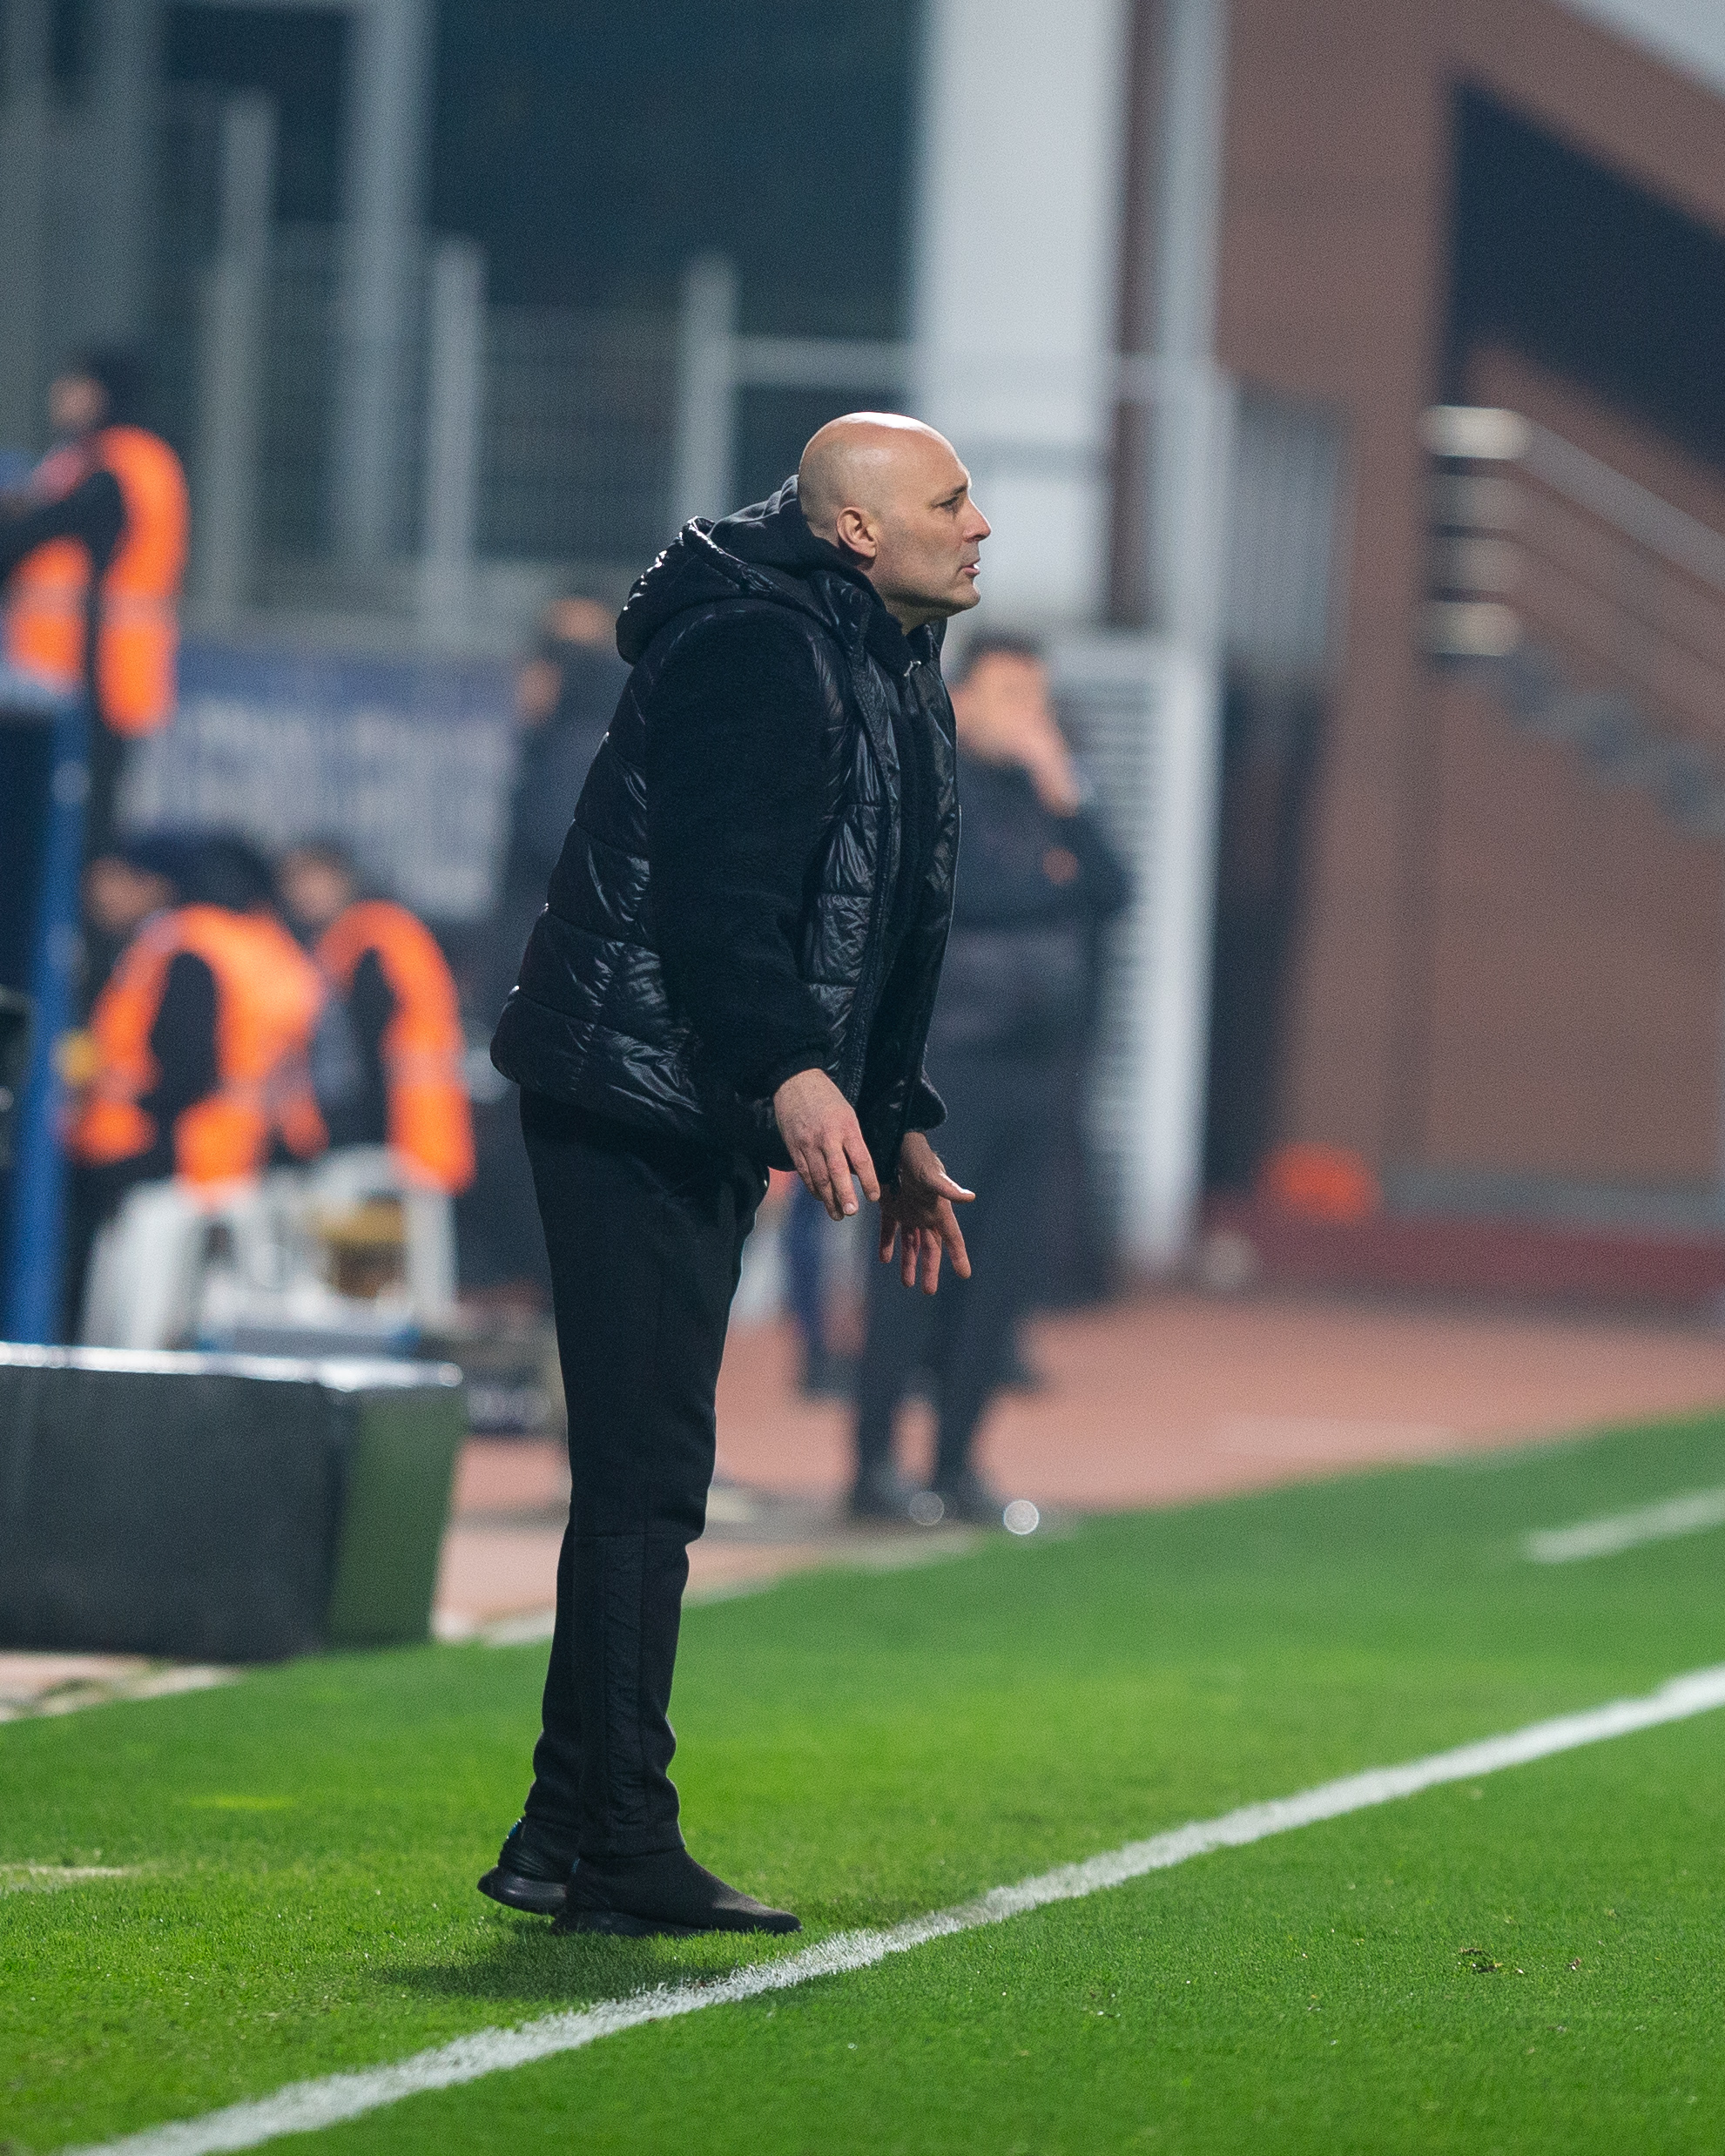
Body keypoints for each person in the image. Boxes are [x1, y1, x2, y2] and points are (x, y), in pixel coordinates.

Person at [477, 412, 988, 1938]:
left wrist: (890, 1108)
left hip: (689, 1092)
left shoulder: (886, 652)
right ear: (856, 530)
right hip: (627, 1093)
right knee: (645, 1483)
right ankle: (618, 1841)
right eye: (949, 501)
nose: (978, 526)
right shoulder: (758, 647)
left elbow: (880, 916)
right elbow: (718, 902)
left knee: (646, 1479)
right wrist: (787, 1067)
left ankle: (564, 1832)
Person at [850, 633, 1131, 1525]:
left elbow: (1115, 888)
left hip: (1037, 1072)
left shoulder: (1049, 798)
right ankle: (871, 1467)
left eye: (1036, 700)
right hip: (942, 1072)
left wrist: (1067, 804)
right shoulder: (926, 781)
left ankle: (955, 1464)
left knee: (997, 1276)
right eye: (1009, 696)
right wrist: (1053, 881)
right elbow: (968, 894)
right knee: (909, 1267)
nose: (1027, 718)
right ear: (961, 698)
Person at [63, 834, 327, 1335]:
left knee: (127, 1311)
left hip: (168, 1152)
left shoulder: (191, 943)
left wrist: (121, 1090)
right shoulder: (273, 950)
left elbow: (187, 1070)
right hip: (252, 1154)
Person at [460, 596, 628, 1301]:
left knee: (539, 1152)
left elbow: (562, 873)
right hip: (564, 989)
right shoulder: (585, 746)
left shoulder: (569, 754)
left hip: (556, 992)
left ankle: (548, 1300)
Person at [0, 350, 189, 859]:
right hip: (58, 676)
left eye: (74, 384)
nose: (59, 396)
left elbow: (44, 531)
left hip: (98, 676)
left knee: (76, 833)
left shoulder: (120, 465)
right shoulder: (85, 460)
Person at [277, 842, 475, 1196]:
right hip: (403, 1130)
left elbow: (369, 1040)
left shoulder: (369, 938)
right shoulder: (361, 935)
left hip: (394, 1131)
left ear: (342, 879)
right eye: (293, 882)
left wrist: (354, 1125)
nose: (301, 893)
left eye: (311, 879)